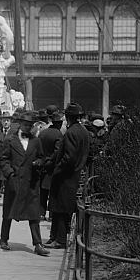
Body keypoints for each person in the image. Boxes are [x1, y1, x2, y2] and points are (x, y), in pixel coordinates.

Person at [0, 110, 50, 255]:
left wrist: (39, 162)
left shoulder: (36, 141)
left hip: (31, 182)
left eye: (30, 125)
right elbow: (3, 160)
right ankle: (3, 239)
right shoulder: (10, 140)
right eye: (25, 124)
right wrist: (9, 174)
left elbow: (42, 157)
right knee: (8, 211)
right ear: (20, 124)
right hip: (14, 182)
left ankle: (38, 244)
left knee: (33, 214)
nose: (27, 127)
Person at [48, 102, 91, 249]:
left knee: (60, 208)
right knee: (64, 207)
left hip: (67, 175)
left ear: (68, 117)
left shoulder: (72, 132)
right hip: (76, 173)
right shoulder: (83, 131)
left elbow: (69, 157)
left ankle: (59, 240)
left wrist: (58, 169)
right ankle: (56, 237)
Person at [39, 109, 64, 224]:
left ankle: (41, 213)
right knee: (53, 191)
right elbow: (57, 151)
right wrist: (51, 160)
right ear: (58, 123)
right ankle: (51, 215)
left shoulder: (43, 132)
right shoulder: (58, 134)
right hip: (52, 166)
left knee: (43, 191)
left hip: (42, 165)